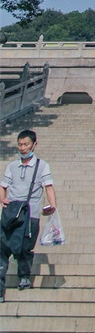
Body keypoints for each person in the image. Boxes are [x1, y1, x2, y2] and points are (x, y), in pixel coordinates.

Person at [0, 129, 57, 301]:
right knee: (2, 249)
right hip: (11, 214)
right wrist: (3, 198)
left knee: (25, 248)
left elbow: (48, 187)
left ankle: (24, 276)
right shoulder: (12, 166)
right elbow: (3, 186)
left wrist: (52, 205)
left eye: (26, 144)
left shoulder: (42, 166)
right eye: (20, 144)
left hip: (30, 215)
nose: (22, 148)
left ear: (34, 145)